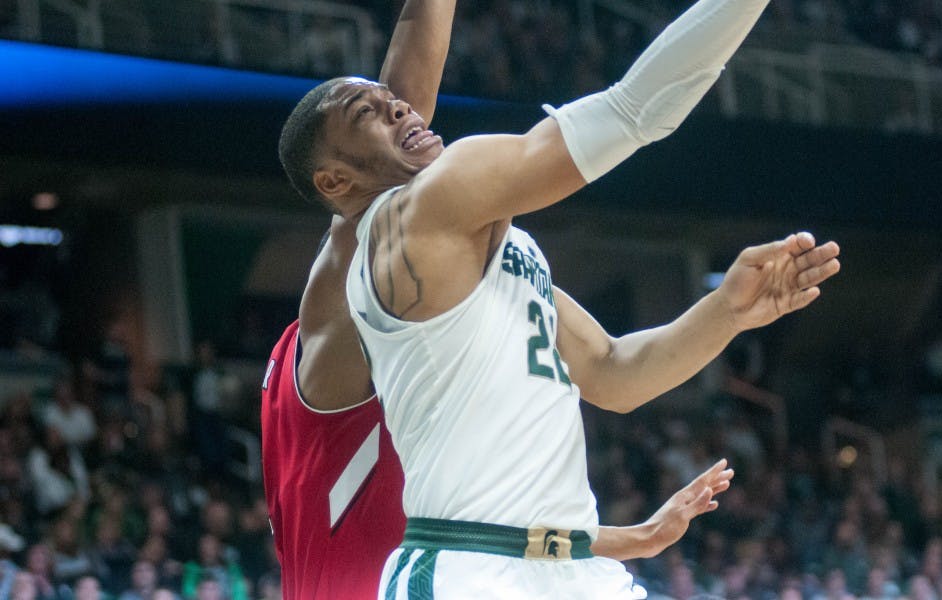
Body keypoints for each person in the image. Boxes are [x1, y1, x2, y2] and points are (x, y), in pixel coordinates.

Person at [275, 0, 840, 595]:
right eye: (369, 110)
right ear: (336, 183)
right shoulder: (417, 211)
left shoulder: (495, 248)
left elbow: (613, 371)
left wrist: (727, 310)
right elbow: (632, 109)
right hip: (468, 571)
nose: (398, 104)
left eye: (391, 100)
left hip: (572, 563)